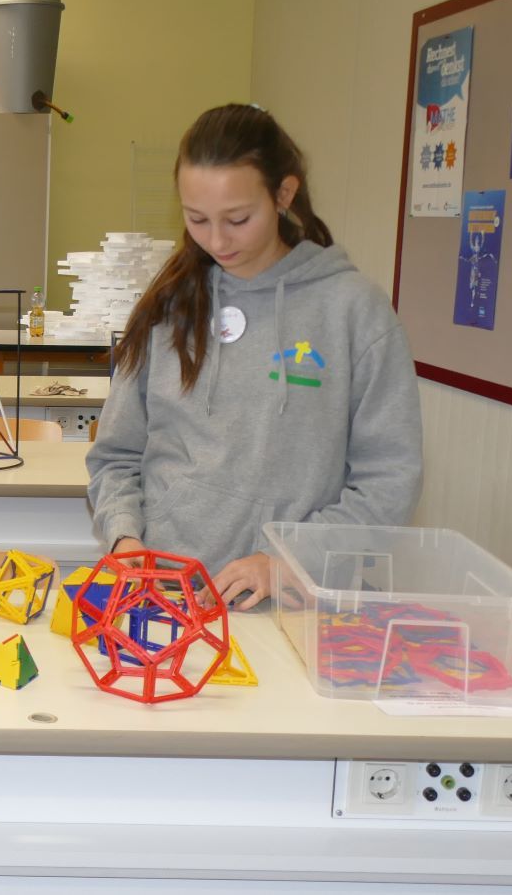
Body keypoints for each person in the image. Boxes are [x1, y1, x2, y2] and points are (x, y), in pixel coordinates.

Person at [86, 104, 422, 610]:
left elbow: (389, 482)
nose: (217, 240)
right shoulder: (168, 307)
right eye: (197, 219)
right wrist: (124, 536)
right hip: (167, 597)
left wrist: (287, 560)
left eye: (238, 219)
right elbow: (115, 456)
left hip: (294, 606)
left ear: (283, 194)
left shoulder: (353, 310)